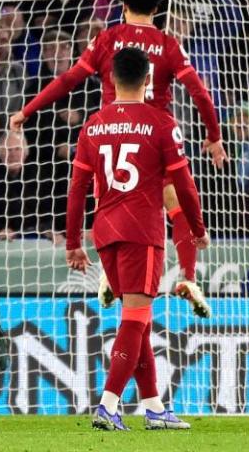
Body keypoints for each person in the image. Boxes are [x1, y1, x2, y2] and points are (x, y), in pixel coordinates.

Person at [10, 0, 227, 318]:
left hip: (110, 137)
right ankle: (188, 276)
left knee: (110, 202)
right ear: (157, 6)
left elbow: (68, 80)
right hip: (155, 138)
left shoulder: (107, 39)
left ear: (121, 3)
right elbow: (200, 94)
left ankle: (112, 276)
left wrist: (27, 110)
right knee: (176, 206)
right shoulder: (169, 44)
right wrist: (214, 137)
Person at [66, 47, 206, 431]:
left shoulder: (92, 125)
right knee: (136, 318)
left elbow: (77, 189)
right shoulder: (161, 123)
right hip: (142, 232)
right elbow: (184, 185)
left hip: (105, 232)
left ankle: (154, 407)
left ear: (110, 80)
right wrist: (196, 226)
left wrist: (73, 242)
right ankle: (108, 405)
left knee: (137, 320)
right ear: (149, 80)